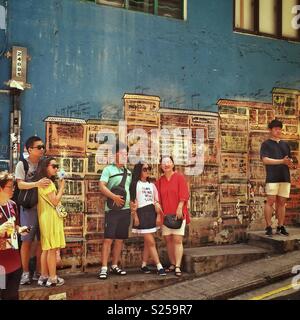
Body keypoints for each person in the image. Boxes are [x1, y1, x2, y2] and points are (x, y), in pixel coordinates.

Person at [15, 136, 50, 285]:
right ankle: (25, 273)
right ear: (30, 149)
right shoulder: (22, 164)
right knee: (27, 241)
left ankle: (39, 272)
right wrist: (37, 183)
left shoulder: (45, 163)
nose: (42, 149)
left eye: (43, 147)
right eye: (39, 147)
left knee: (42, 242)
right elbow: (20, 185)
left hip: (43, 208)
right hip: (28, 209)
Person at [98, 140, 132, 280]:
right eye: (122, 153)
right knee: (108, 239)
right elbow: (101, 186)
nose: (125, 156)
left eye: (126, 154)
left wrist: (133, 205)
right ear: (115, 154)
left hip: (126, 211)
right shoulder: (108, 170)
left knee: (119, 240)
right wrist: (114, 197)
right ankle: (104, 268)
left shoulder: (128, 172)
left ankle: (114, 265)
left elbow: (129, 191)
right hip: (112, 211)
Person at [156, 156, 190, 277]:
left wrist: (180, 207)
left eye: (169, 162)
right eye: (164, 163)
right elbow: (157, 198)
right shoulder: (159, 181)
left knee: (177, 240)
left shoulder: (179, 177)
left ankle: (177, 266)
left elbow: (185, 193)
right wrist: (159, 213)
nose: (166, 165)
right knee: (168, 240)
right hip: (165, 216)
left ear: (173, 164)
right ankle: (172, 263)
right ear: (161, 166)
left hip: (178, 214)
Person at [129, 162, 166, 276]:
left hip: (151, 213)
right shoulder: (135, 184)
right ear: (139, 170)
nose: (147, 171)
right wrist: (135, 216)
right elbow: (132, 202)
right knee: (151, 241)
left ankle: (143, 265)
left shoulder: (152, 185)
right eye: (145, 169)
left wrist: (159, 215)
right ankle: (159, 266)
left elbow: (156, 201)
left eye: (148, 169)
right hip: (141, 213)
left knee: (147, 242)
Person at [260, 119, 295, 237]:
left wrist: (290, 162)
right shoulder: (266, 144)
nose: (278, 131)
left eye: (279, 128)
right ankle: (269, 226)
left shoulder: (285, 144)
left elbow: (289, 160)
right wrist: (282, 161)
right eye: (275, 128)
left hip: (285, 177)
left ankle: (280, 226)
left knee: (282, 203)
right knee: (270, 201)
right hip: (272, 177)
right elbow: (265, 160)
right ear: (270, 130)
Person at [34, 157, 66, 287]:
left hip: (45, 216)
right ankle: (52, 278)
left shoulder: (44, 182)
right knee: (51, 249)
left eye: (57, 166)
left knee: (46, 248)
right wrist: (62, 187)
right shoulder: (47, 183)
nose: (56, 169)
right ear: (45, 166)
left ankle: (44, 276)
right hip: (50, 217)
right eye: (53, 166)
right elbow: (54, 201)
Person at [0, 172, 30, 300]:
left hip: (15, 263)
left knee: (12, 296)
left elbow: (15, 225)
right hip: (1, 266)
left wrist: (20, 229)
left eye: (13, 186)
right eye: (10, 186)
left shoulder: (12, 205)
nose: (13, 189)